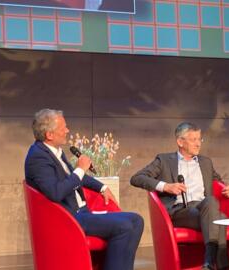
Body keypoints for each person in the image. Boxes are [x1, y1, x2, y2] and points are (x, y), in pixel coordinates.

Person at [24, 109, 143, 270]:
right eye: (63, 128)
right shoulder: (38, 157)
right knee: (124, 227)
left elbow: (73, 176)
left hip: (80, 212)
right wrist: (80, 169)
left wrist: (102, 187)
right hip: (69, 218)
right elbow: (55, 192)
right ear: (49, 134)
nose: (67, 131)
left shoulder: (53, 151)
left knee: (136, 220)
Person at [130, 122, 229, 270]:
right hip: (180, 210)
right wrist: (166, 186)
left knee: (211, 202)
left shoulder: (206, 162)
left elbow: (221, 185)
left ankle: (209, 261)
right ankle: (219, 263)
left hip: (204, 208)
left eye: (199, 139)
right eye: (193, 139)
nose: (198, 143)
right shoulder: (163, 160)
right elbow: (137, 178)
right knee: (219, 218)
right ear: (180, 142)